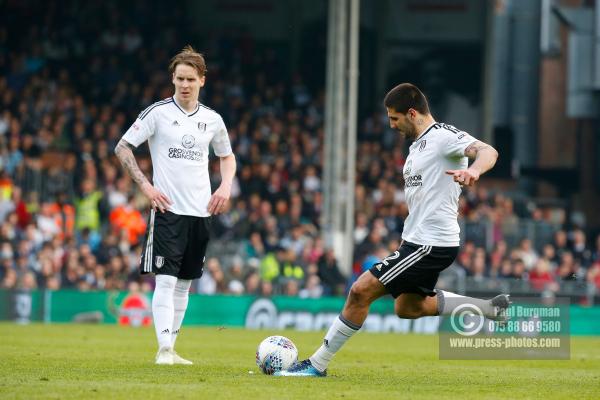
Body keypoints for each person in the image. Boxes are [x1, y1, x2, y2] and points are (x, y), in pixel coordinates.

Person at [277, 83, 509, 377]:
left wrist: (474, 170)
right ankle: (491, 309)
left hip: (430, 244)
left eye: (394, 118)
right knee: (408, 308)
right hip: (417, 241)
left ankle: (316, 364)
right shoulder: (418, 146)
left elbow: (488, 151)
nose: (391, 125)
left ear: (412, 113)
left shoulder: (443, 137)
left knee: (360, 291)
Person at [114, 45, 236, 365]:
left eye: (190, 79)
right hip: (167, 210)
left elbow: (227, 156)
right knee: (165, 280)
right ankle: (163, 350)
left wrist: (225, 185)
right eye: (179, 78)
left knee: (184, 285)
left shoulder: (212, 120)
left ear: (202, 81)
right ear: (173, 78)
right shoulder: (157, 113)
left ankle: (172, 347)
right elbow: (123, 147)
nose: (184, 84)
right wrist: (146, 186)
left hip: (201, 212)